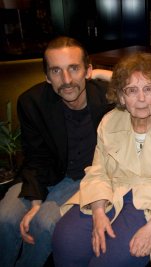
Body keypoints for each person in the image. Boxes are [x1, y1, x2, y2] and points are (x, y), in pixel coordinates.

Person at [52, 52, 151, 267]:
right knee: (66, 240)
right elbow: (98, 170)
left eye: (148, 89)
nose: (141, 98)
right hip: (110, 191)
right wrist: (98, 211)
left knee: (109, 260)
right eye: (131, 90)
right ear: (121, 97)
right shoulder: (109, 121)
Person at [0, 36, 113, 267]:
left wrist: (105, 74)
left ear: (87, 70)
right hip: (43, 173)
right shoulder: (32, 102)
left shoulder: (107, 98)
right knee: (5, 219)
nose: (67, 80)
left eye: (74, 68)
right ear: (47, 77)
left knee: (43, 223)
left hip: (83, 179)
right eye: (56, 71)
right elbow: (36, 157)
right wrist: (35, 201)